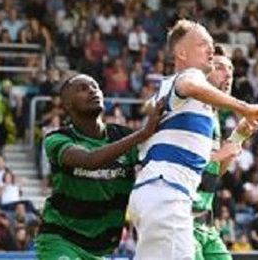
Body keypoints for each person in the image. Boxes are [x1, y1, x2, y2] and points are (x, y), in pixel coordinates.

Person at [127, 20, 258, 260]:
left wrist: (237, 137)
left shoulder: (201, 110)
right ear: (181, 53)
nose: (210, 49)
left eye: (211, 45)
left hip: (166, 195)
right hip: (168, 194)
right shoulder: (186, 78)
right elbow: (189, 83)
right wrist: (246, 107)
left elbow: (211, 172)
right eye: (202, 44)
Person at [35, 74, 163, 259]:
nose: (92, 91)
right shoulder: (57, 139)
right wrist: (141, 134)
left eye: (95, 86)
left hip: (99, 248)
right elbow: (90, 160)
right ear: (68, 105)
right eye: (82, 89)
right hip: (61, 240)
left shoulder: (122, 137)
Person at [194, 46, 258, 260]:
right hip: (183, 221)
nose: (229, 74)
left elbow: (211, 174)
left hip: (206, 223)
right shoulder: (193, 110)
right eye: (220, 68)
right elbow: (182, 166)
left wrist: (237, 138)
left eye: (231, 69)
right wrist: (220, 154)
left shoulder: (213, 115)